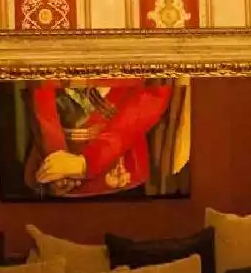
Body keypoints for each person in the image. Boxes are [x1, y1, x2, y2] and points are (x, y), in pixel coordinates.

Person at [26, 79, 174, 198]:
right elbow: (38, 88)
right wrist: (55, 157)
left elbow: (152, 95)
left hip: (121, 172)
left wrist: (88, 162)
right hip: (53, 174)